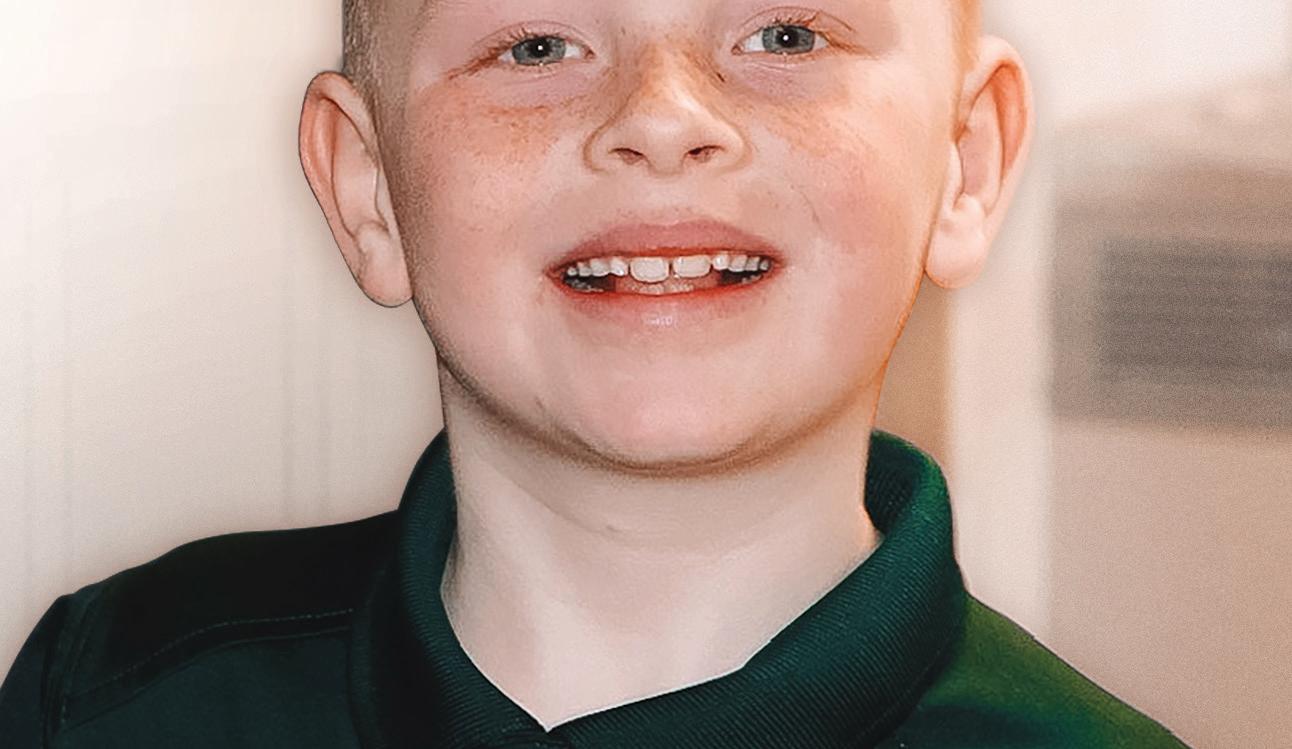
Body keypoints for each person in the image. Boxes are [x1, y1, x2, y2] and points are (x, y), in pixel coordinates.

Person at [0, 1, 1188, 746]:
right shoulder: (104, 693)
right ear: (368, 190)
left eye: (784, 35)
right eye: (535, 45)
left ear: (963, 163)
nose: (662, 119)